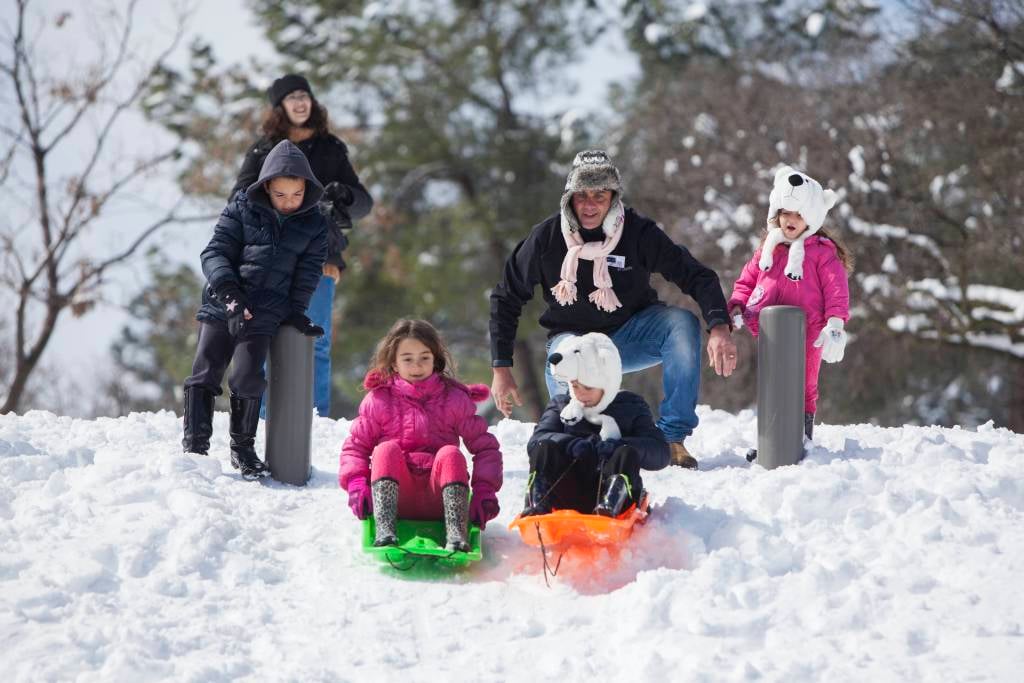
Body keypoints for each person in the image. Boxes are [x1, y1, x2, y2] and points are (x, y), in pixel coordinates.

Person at [489, 149, 737, 470]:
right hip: (573, 342)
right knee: (572, 392)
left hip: (630, 336)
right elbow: (506, 297)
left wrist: (719, 327)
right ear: (569, 199)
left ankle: (672, 439)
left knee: (681, 323)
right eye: (582, 196)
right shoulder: (546, 238)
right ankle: (575, 443)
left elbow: (697, 275)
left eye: (600, 195)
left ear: (613, 198)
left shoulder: (638, 232)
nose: (590, 205)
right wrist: (501, 368)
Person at [182, 140, 328, 479]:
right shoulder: (241, 208)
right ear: (266, 188)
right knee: (206, 370)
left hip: (265, 313)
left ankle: (243, 448)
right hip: (224, 302)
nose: (289, 202)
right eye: (280, 195)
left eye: (296, 194)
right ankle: (195, 445)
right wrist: (230, 296)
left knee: (247, 376)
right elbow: (214, 253)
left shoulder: (315, 225)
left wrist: (295, 312)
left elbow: (307, 274)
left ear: (306, 188)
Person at [231, 73, 374, 417]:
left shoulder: (330, 148)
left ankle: (316, 416)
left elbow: (364, 203)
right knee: (264, 335)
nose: (299, 102)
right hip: (271, 258)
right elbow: (238, 200)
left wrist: (344, 195)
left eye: (304, 96)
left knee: (318, 341)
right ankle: (261, 415)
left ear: (312, 102)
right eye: (291, 97)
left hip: (321, 258)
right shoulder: (264, 150)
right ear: (279, 107)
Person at [338, 319, 503, 551]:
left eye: (424, 357)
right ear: (394, 363)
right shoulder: (379, 400)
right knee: (386, 450)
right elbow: (356, 447)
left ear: (435, 359)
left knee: (450, 454)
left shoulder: (454, 399)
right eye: (407, 359)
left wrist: (485, 490)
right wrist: (357, 483)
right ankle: (385, 530)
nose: (417, 366)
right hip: (395, 499)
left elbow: (485, 448)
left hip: (442, 499)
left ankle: (456, 533)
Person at [728, 165, 852, 453]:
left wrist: (835, 323)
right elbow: (747, 281)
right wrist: (735, 306)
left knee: (804, 385)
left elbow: (836, 289)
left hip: (809, 331)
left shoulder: (821, 252)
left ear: (811, 218)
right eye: (786, 212)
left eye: (799, 214)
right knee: (773, 383)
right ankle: (773, 441)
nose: (791, 219)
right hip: (771, 329)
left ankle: (801, 439)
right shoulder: (768, 250)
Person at [522, 333, 669, 518]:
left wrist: (618, 445)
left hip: (613, 489)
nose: (580, 393)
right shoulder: (562, 405)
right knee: (545, 448)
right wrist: (570, 444)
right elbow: (537, 440)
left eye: (588, 387)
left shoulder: (631, 406)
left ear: (607, 383)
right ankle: (537, 504)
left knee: (625, 452)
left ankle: (610, 507)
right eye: (575, 386)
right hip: (568, 489)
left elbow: (661, 453)